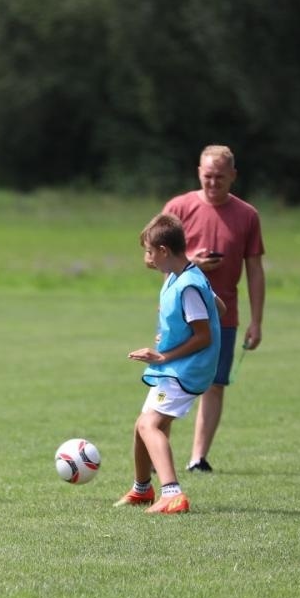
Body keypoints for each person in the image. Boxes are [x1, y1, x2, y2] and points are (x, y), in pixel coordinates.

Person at [162, 144, 265, 472]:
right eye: (208, 176)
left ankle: (198, 458)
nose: (213, 182)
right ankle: (155, 448)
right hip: (181, 316)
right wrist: (194, 263)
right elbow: (157, 257)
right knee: (170, 380)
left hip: (224, 315)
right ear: (198, 173)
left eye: (221, 176)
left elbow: (255, 269)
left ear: (233, 176)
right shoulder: (178, 208)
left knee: (215, 384)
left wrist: (257, 321)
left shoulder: (247, 215)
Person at [113, 213, 222, 515]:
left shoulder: (187, 285)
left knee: (150, 425)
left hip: (185, 368)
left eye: (150, 252)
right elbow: (219, 307)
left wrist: (163, 355)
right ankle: (142, 489)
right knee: (142, 426)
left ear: (164, 250)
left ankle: (172, 493)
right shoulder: (184, 275)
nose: (147, 259)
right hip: (178, 366)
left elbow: (203, 336)